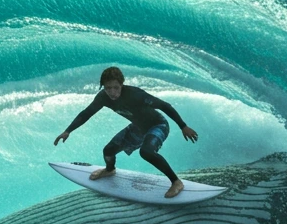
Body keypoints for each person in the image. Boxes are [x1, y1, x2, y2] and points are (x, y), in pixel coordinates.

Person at [54, 67, 198, 198]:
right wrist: (68, 131)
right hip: (137, 127)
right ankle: (110, 170)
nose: (112, 92)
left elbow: (164, 106)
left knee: (146, 152)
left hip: (157, 125)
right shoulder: (103, 97)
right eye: (108, 88)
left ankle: (176, 182)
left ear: (122, 84)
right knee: (108, 151)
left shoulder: (135, 94)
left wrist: (183, 126)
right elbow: (86, 113)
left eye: (116, 88)